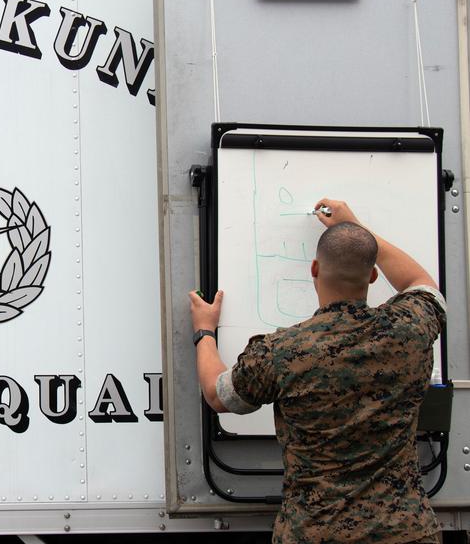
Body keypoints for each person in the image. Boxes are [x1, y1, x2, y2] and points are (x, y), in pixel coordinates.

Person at [189, 198, 445, 544]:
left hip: (314, 533)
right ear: (372, 275)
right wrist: (358, 230)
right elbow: (422, 283)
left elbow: (218, 394)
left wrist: (205, 332)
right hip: (406, 533)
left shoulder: (281, 352)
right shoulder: (409, 330)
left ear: (314, 269)